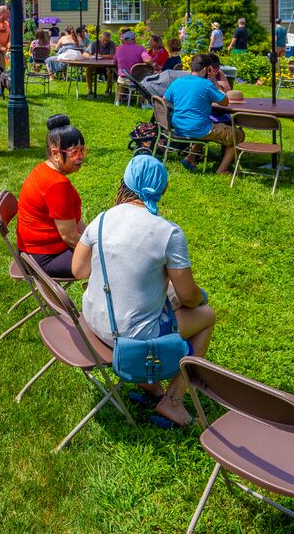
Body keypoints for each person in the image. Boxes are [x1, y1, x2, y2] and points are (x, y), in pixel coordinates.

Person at [74, 153, 215, 427]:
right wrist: (200, 297)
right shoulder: (169, 233)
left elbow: (78, 270)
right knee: (206, 315)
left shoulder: (102, 219)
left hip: (93, 322)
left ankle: (150, 386)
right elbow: (187, 295)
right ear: (162, 190)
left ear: (125, 181)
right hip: (128, 339)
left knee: (162, 301)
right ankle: (173, 400)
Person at [17, 115, 87, 279]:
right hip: (44, 258)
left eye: (82, 150)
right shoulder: (57, 185)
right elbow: (70, 237)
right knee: (108, 262)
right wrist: (98, 251)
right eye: (74, 152)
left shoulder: (43, 169)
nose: (81, 157)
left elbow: (75, 223)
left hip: (33, 252)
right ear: (55, 154)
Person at [164, 54, 242, 174]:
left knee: (206, 126)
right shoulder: (207, 85)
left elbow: (165, 99)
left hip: (177, 127)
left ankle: (190, 158)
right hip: (199, 129)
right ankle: (222, 169)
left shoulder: (178, 82)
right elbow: (225, 101)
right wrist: (215, 81)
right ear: (206, 69)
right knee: (239, 134)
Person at [85, 29, 116, 96]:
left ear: (109, 39)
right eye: (103, 40)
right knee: (88, 69)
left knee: (110, 72)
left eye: (107, 41)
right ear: (101, 38)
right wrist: (93, 56)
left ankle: (107, 91)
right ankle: (90, 90)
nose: (105, 42)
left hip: (107, 66)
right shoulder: (95, 43)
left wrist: (101, 56)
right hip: (96, 66)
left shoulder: (112, 44)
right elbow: (85, 53)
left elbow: (112, 55)